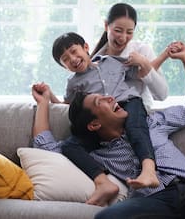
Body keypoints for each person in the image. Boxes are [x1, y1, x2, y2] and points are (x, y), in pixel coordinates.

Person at [33, 42, 185, 219]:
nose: (111, 97)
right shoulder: (96, 151)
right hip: (153, 199)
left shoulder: (153, 122)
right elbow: (45, 145)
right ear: (94, 124)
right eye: (100, 100)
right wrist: (44, 103)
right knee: (105, 217)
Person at [36, 32, 170, 205]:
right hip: (103, 119)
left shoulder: (112, 61)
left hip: (129, 103)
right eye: (66, 59)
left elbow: (142, 73)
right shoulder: (74, 84)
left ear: (86, 48)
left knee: (136, 129)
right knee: (70, 145)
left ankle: (148, 169)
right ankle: (103, 183)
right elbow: (68, 107)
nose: (73, 59)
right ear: (65, 67)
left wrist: (163, 55)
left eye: (74, 51)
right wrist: (48, 97)